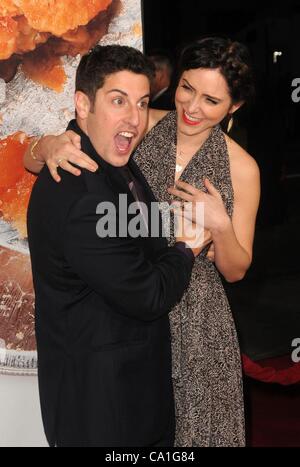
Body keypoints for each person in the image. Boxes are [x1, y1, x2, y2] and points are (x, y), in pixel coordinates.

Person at [24, 37, 260, 447]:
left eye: (211, 100)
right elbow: (39, 158)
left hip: (197, 319)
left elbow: (237, 270)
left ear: (232, 108)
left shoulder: (242, 168)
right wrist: (48, 145)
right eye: (187, 88)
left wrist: (220, 228)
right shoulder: (142, 122)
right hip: (127, 306)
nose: (192, 107)